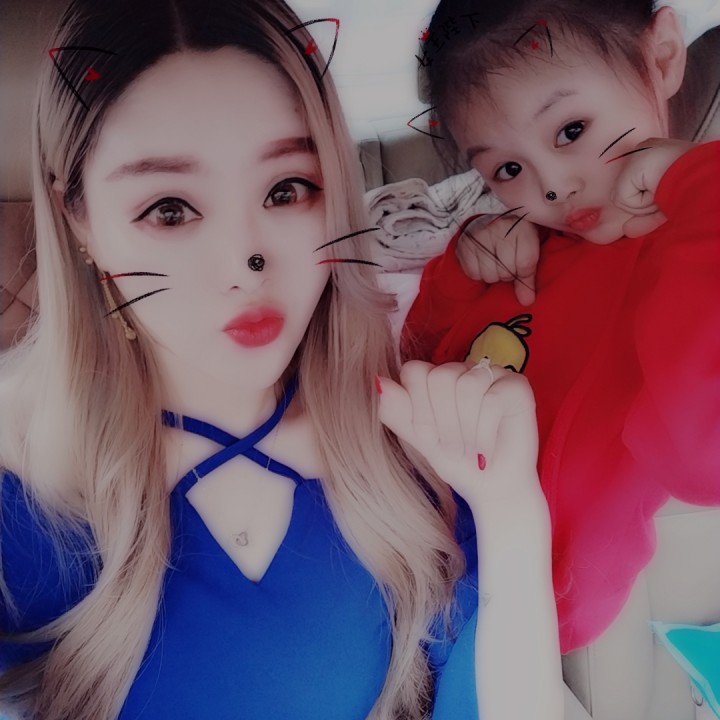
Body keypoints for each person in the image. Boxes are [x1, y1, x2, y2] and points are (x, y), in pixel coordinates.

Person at [0, 1, 563, 718]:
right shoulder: (20, 479)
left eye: (286, 190)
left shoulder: (414, 457)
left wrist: (512, 511)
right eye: (170, 209)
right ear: (79, 220)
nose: (245, 263)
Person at [403, 0, 720, 654]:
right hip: (394, 557)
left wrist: (702, 180)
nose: (551, 189)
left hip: (522, 611)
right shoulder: (518, 250)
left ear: (662, 56)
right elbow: (410, 371)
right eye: (507, 170)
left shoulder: (696, 251)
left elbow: (703, 460)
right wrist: (459, 270)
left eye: (571, 129)